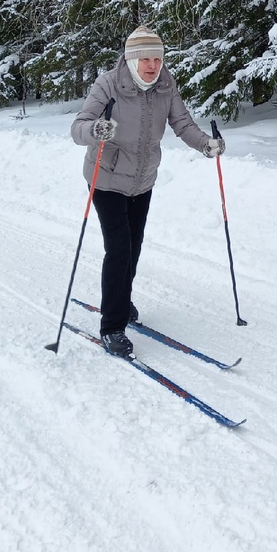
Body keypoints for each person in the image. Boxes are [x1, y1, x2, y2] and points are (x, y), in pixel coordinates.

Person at [71, 25, 225, 357]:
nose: (152, 66)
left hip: (143, 180)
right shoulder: (108, 84)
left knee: (134, 245)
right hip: (107, 178)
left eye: (157, 58)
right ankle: (112, 326)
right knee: (120, 249)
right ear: (131, 60)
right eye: (145, 60)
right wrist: (96, 130)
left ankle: (121, 300)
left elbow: (182, 123)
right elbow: (78, 127)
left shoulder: (165, 86)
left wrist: (206, 145)